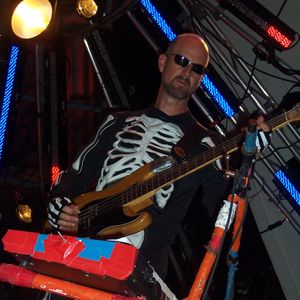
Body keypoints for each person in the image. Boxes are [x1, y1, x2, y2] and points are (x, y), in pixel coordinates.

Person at [47, 33, 271, 281]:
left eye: (197, 68)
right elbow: (74, 177)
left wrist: (247, 160)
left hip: (141, 269)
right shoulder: (116, 122)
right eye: (182, 60)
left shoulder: (206, 144)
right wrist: (60, 207)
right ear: (163, 62)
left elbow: (223, 209)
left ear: (200, 80)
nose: (187, 72)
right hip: (80, 252)